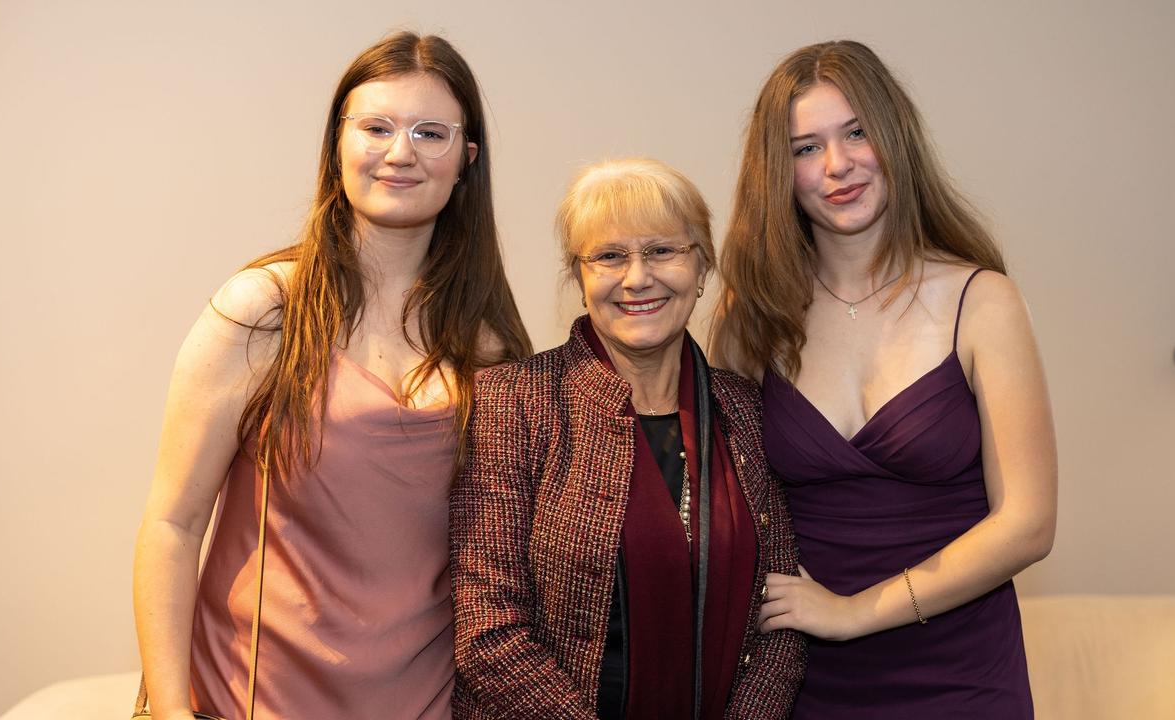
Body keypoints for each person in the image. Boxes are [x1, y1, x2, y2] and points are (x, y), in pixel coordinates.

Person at [132, 31, 531, 720]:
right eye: (376, 126)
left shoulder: (492, 349)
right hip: (250, 701)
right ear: (338, 144)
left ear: (466, 160)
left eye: (430, 132)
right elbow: (172, 524)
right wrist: (169, 712)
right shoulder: (261, 312)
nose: (401, 151)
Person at [711, 41, 1057, 718]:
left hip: (960, 676)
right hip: (803, 680)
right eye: (805, 148)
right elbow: (721, 500)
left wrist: (854, 612)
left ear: (894, 137)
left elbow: (1028, 524)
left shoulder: (982, 302)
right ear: (777, 171)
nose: (837, 166)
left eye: (856, 133)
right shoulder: (751, 317)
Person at [451, 158, 806, 719]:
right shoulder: (512, 402)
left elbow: (782, 616)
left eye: (663, 251)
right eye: (610, 256)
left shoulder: (746, 410)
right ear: (579, 276)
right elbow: (486, 626)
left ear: (703, 267)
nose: (637, 278)